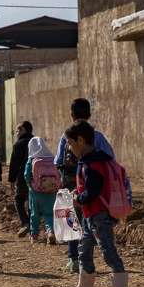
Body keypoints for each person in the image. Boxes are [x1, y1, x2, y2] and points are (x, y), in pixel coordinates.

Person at [63, 121, 130, 287]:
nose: (68, 147)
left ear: (81, 140)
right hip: (89, 215)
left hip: (99, 215)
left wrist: (79, 199)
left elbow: (93, 191)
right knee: (84, 249)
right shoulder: (93, 161)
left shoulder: (92, 165)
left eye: (70, 142)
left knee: (107, 250)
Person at [54, 99, 114, 274]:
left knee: (71, 221)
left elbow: (58, 161)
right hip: (91, 185)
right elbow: (109, 157)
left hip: (69, 183)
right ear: (89, 114)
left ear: (71, 114)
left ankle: (73, 258)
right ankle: (92, 258)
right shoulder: (97, 136)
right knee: (90, 221)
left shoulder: (66, 137)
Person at [23, 136, 58, 243]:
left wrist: (30, 184)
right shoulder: (52, 157)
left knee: (35, 214)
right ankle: (50, 231)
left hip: (35, 192)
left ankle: (34, 235)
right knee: (49, 214)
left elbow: (26, 175)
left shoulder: (32, 159)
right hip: (51, 191)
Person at [6, 121, 34, 237]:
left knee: (18, 200)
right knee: (32, 201)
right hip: (37, 177)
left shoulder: (19, 144)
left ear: (23, 130)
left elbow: (14, 164)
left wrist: (11, 180)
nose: (16, 133)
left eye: (18, 130)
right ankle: (34, 226)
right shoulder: (36, 141)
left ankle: (25, 223)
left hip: (23, 177)